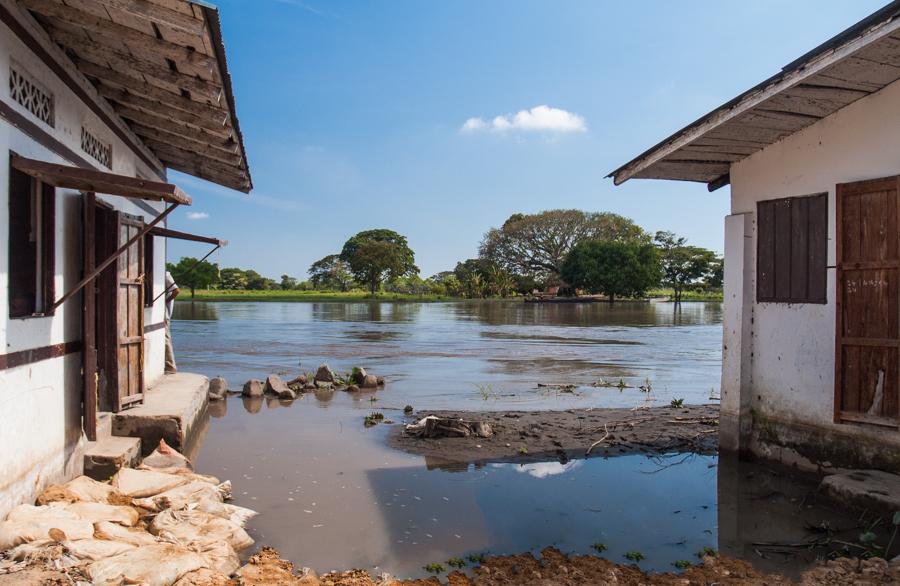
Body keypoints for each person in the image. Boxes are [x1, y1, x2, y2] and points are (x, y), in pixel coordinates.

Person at [164, 270, 180, 374]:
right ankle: (168, 365)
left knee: (166, 339)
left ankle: (171, 366)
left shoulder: (165, 274)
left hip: (164, 314)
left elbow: (176, 291)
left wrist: (166, 301)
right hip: (162, 314)